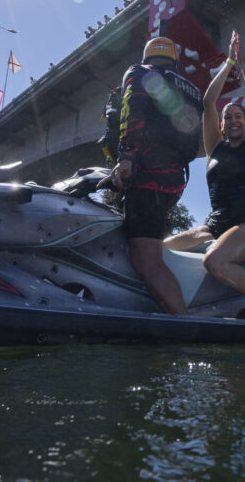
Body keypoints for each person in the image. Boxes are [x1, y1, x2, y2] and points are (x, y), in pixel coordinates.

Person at [164, 31, 245, 322]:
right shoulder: (214, 148)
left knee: (215, 260)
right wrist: (227, 64)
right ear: (221, 126)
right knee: (159, 250)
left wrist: (242, 64)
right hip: (214, 225)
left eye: (238, 116)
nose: (234, 120)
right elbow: (209, 101)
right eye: (228, 117)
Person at [98, 36, 202, 315]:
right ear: (174, 60)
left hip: (147, 177)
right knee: (143, 246)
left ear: (147, 56)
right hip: (173, 181)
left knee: (146, 260)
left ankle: (183, 322)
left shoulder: (140, 73)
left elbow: (133, 112)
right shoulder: (191, 89)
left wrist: (126, 157)